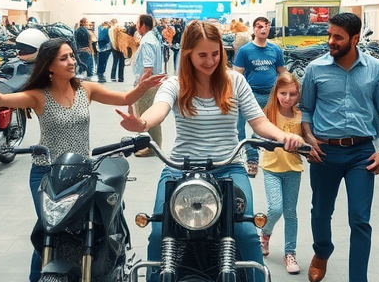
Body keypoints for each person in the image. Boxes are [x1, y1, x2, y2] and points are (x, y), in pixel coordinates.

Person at [116, 21, 305, 282]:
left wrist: (284, 136)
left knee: (247, 234)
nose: (210, 61)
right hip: (179, 168)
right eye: (202, 55)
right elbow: (159, 109)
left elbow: (258, 121)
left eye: (215, 54)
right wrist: (142, 124)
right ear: (188, 54)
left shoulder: (235, 81)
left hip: (229, 167)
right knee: (159, 233)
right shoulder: (176, 83)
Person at [0, 38, 165, 282]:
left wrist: (142, 87)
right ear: (49, 66)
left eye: (72, 56)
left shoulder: (86, 89)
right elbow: (4, 101)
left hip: (83, 173)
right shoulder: (38, 95)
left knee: (88, 227)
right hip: (47, 174)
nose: (72, 61)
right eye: (64, 58)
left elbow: (125, 98)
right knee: (48, 229)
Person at [300, 12, 379, 282]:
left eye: (338, 37)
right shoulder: (315, 69)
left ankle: (358, 278)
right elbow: (305, 110)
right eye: (329, 34)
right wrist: (309, 138)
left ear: (355, 39)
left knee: (360, 220)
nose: (331, 41)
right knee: (320, 212)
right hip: (325, 152)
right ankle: (322, 251)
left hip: (361, 154)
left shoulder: (375, 69)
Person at [259, 72, 304, 275]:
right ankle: (265, 234)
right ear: (276, 92)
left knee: (291, 212)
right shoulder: (268, 114)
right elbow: (258, 133)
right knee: (276, 208)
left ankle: (290, 252)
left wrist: (300, 141)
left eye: (292, 94)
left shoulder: (300, 116)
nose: (287, 98)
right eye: (283, 93)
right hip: (271, 168)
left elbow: (305, 142)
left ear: (298, 94)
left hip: (293, 170)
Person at [233, 16, 286, 177]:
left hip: (270, 96)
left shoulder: (275, 50)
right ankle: (247, 158)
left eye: (266, 26)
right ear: (254, 29)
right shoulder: (245, 51)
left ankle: (253, 158)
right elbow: (237, 75)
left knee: (262, 130)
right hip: (249, 96)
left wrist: (286, 92)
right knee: (239, 129)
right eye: (259, 26)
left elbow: (282, 72)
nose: (263, 29)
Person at [132, 14, 165, 157]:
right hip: (154, 82)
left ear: (143, 26)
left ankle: (153, 148)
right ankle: (154, 146)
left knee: (147, 117)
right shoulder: (153, 39)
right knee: (151, 115)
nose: (135, 26)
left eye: (137, 23)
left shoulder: (147, 42)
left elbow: (148, 68)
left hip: (148, 84)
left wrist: (139, 87)